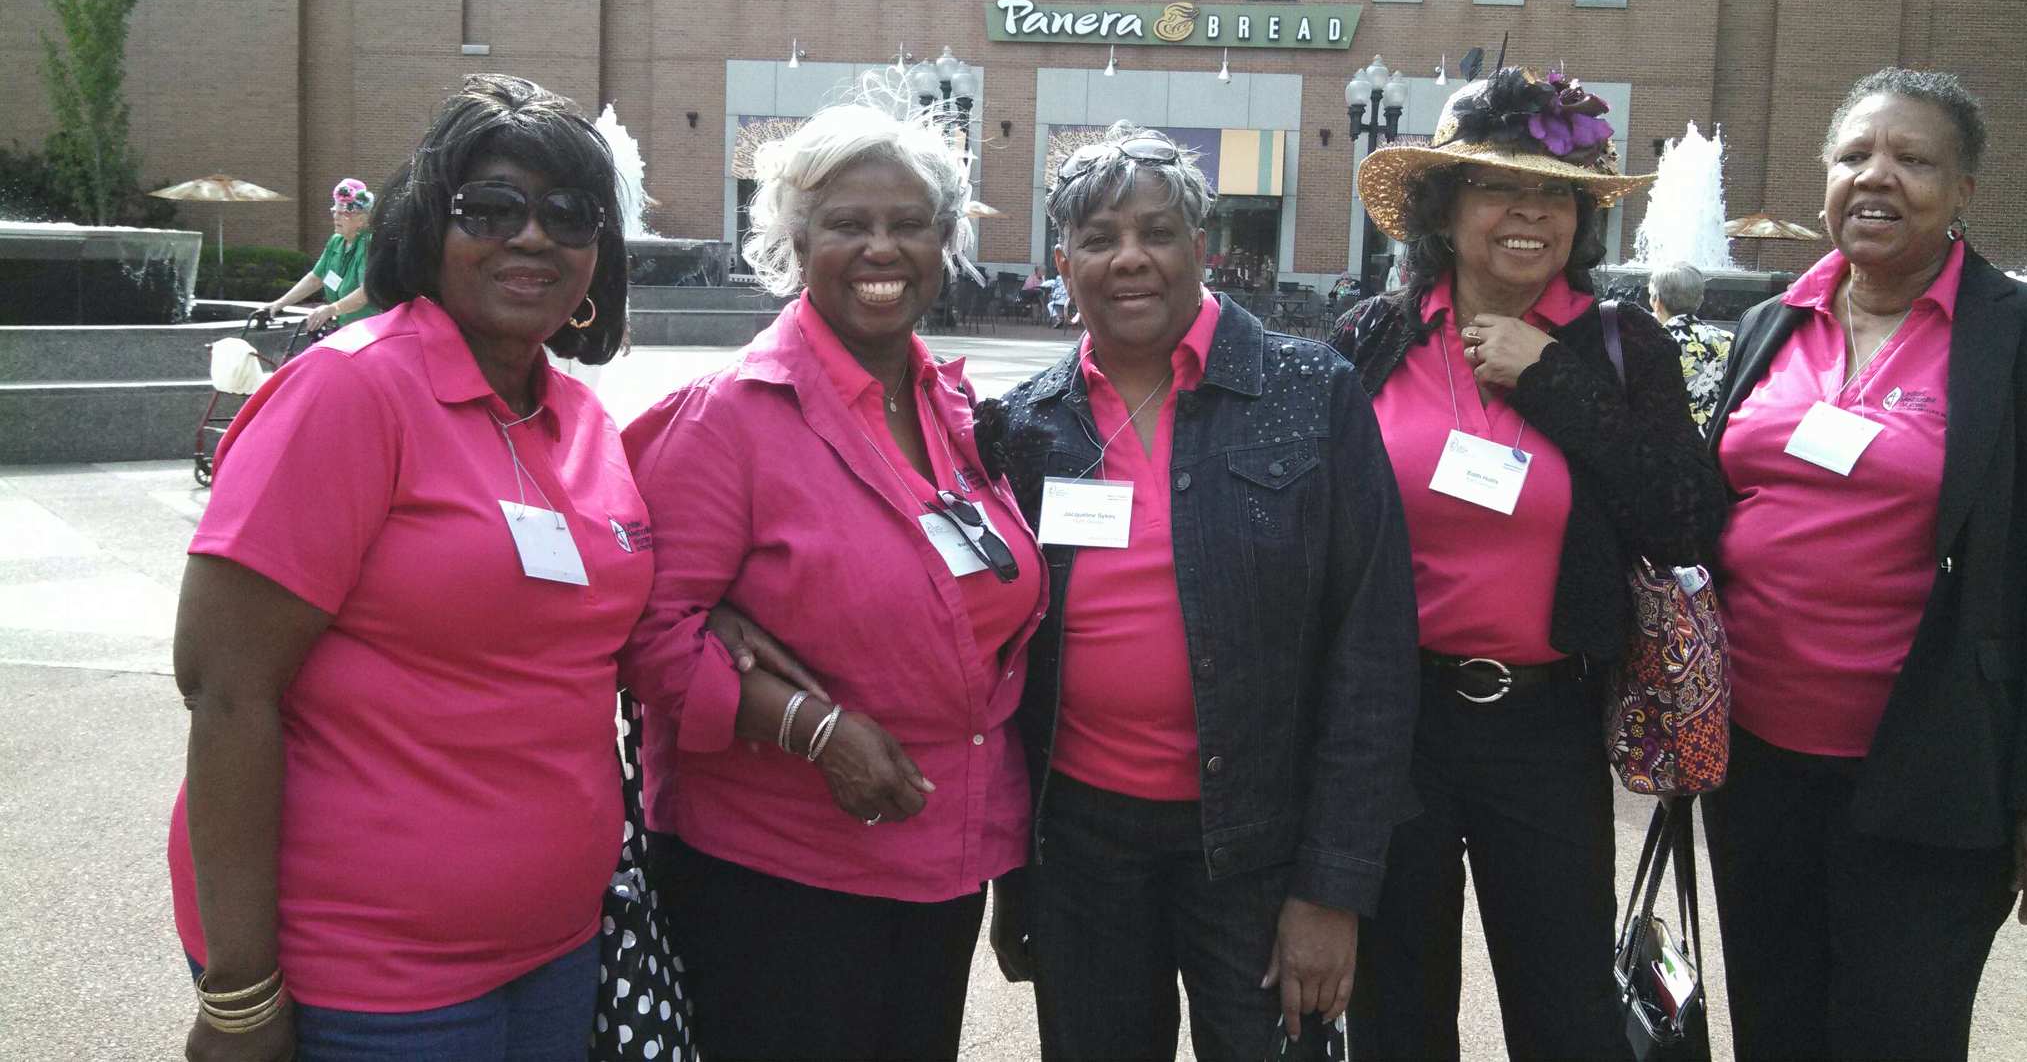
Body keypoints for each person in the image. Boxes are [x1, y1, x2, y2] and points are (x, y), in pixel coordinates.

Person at [171, 74, 650, 1060]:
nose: (534, 237)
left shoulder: (584, 422)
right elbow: (225, 690)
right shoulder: (351, 392)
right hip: (370, 972)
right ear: (430, 223)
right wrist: (241, 988)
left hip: (556, 948)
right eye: (493, 208)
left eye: (570, 214)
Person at [618, 91, 1049, 1062]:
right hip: (777, 873)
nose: (881, 248)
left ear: (946, 242)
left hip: (942, 862)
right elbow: (647, 631)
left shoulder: (950, 407)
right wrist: (811, 727)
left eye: (909, 225)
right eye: (848, 224)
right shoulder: (730, 415)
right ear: (796, 240)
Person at [986, 124, 1421, 1060]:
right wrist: (1016, 874)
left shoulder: (1313, 393)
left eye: (1157, 232)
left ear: (1203, 248)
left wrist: (1333, 887)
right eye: (1100, 238)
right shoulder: (1025, 425)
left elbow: (1373, 652)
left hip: (1262, 844)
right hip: (1084, 846)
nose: (1129, 258)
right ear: (1064, 262)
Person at [1329, 67, 1725, 1059]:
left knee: (1564, 1011)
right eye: (1499, 186)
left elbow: (1684, 518)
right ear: (1442, 208)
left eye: (1555, 192)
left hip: (1547, 720)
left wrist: (1550, 379)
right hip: (1395, 724)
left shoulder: (1622, 343)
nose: (1530, 213)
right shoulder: (1372, 338)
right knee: (1397, 1005)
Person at [1701, 66, 2027, 1060]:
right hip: (1755, 761)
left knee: (1898, 1033)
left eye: (1914, 158)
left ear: (1964, 191)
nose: (1877, 175)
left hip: (1931, 769)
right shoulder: (1774, 322)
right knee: (1774, 1019)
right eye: (1855, 155)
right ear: (1825, 180)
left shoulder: (2016, 338)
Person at [259, 178, 379, 332]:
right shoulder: (336, 241)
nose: (336, 216)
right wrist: (279, 303)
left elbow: (366, 292)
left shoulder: (368, 244)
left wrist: (331, 309)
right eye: (335, 211)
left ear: (362, 219)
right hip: (344, 329)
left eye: (344, 213)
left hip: (369, 331)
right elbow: (316, 278)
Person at [1648, 261, 1733, 430]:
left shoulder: (1646, 342)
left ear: (1657, 302)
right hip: (1715, 441)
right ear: (1700, 300)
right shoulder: (1730, 340)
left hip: (1664, 444)